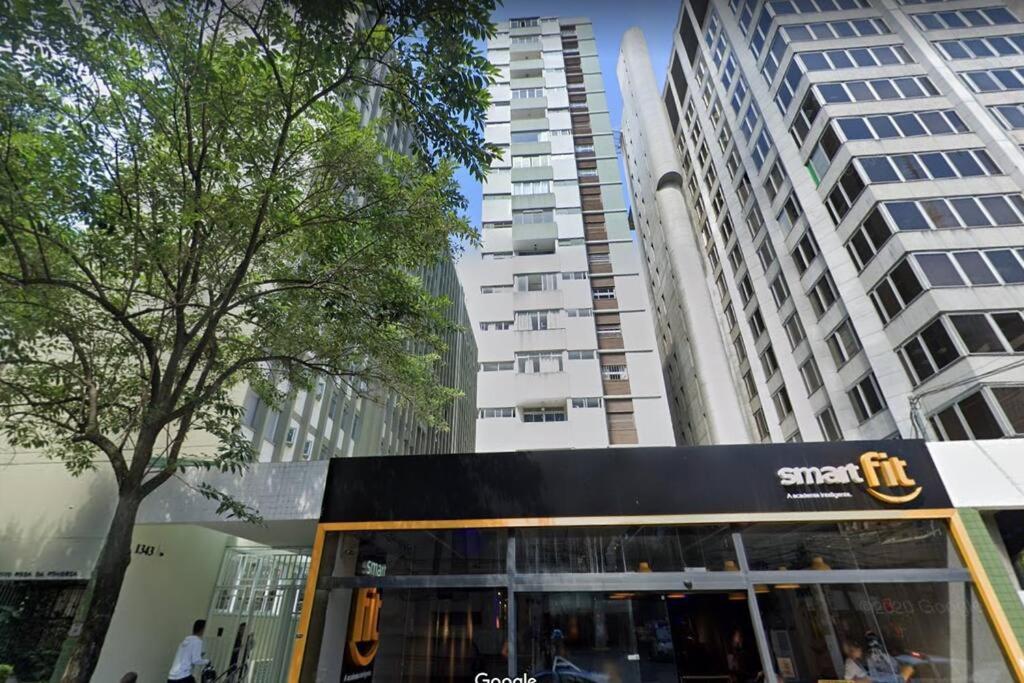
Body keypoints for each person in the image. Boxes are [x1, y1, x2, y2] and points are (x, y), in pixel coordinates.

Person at [168, 619, 210, 683]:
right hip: (182, 677)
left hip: (171, 677)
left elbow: (187, 656)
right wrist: (207, 661)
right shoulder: (197, 641)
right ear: (203, 629)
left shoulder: (185, 641)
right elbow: (196, 660)